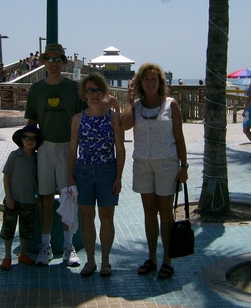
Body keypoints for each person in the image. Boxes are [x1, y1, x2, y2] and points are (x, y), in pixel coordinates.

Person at [120, 63, 188, 280]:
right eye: (146, 79)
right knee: (149, 211)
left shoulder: (171, 105)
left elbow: (179, 137)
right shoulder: (137, 106)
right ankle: (152, 258)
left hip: (166, 163)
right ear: (140, 83)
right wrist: (129, 101)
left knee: (165, 213)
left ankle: (168, 260)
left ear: (160, 82)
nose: (150, 83)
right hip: (143, 163)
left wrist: (184, 166)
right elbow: (125, 125)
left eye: (154, 79)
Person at [24, 43, 87, 267]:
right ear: (43, 62)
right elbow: (31, 122)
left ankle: (69, 247)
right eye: (49, 59)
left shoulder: (74, 88)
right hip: (44, 148)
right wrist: (26, 149)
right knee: (45, 199)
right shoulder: (36, 89)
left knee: (69, 197)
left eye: (57, 59)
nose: (53, 63)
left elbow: (85, 117)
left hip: (68, 148)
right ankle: (46, 246)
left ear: (64, 62)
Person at [67, 73, 125, 277]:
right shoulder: (77, 119)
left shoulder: (113, 118)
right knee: (86, 216)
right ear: (84, 93)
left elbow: (120, 148)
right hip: (83, 171)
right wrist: (70, 175)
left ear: (104, 92)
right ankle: (90, 261)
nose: (94, 94)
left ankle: (106, 261)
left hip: (107, 170)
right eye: (90, 90)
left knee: (106, 216)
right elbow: (73, 149)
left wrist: (118, 176)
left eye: (98, 90)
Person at [0, 125, 43, 270]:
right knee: (8, 229)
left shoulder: (37, 159)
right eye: (26, 138)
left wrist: (39, 198)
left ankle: (22, 254)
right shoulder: (14, 156)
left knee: (26, 230)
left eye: (33, 139)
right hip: (14, 199)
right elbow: (6, 176)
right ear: (21, 139)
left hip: (29, 200)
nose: (30, 141)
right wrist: (8, 197)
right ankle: (7, 256)